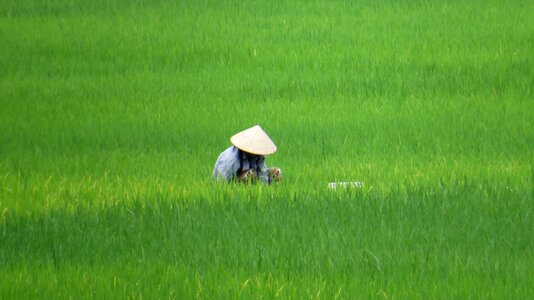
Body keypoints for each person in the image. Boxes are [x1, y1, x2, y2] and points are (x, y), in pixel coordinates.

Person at [212, 125, 282, 184]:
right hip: (233, 185)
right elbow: (220, 183)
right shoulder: (231, 160)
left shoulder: (258, 156)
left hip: (249, 185)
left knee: (275, 173)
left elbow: (262, 174)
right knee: (250, 175)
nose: (259, 154)